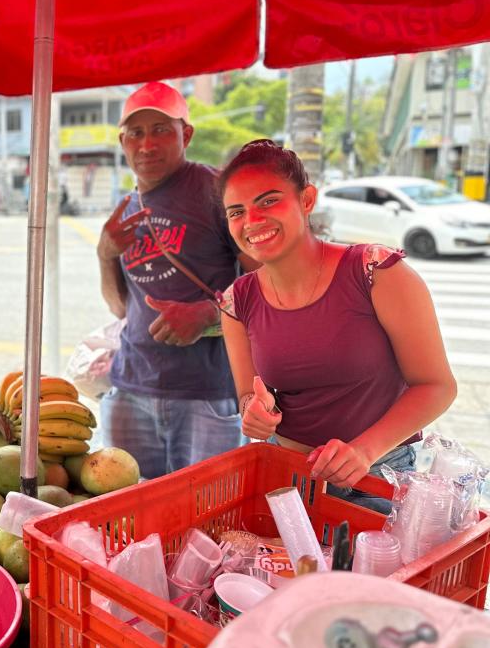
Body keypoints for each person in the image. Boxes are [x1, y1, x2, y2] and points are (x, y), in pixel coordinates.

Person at [218, 140, 456, 511]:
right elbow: (249, 395)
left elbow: (437, 386)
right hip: (287, 476)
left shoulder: (375, 272)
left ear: (307, 199)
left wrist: (364, 450)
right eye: (237, 211)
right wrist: (255, 414)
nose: (252, 221)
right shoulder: (236, 301)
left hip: (377, 475)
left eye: (268, 201)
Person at [96, 82, 257, 479]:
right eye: (136, 133)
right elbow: (120, 307)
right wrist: (105, 252)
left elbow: (269, 284)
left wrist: (206, 314)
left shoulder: (218, 192)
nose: (147, 144)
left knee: (205, 516)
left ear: (186, 134)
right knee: (130, 514)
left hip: (207, 392)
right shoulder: (129, 208)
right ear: (123, 141)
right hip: (131, 387)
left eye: (161, 130)